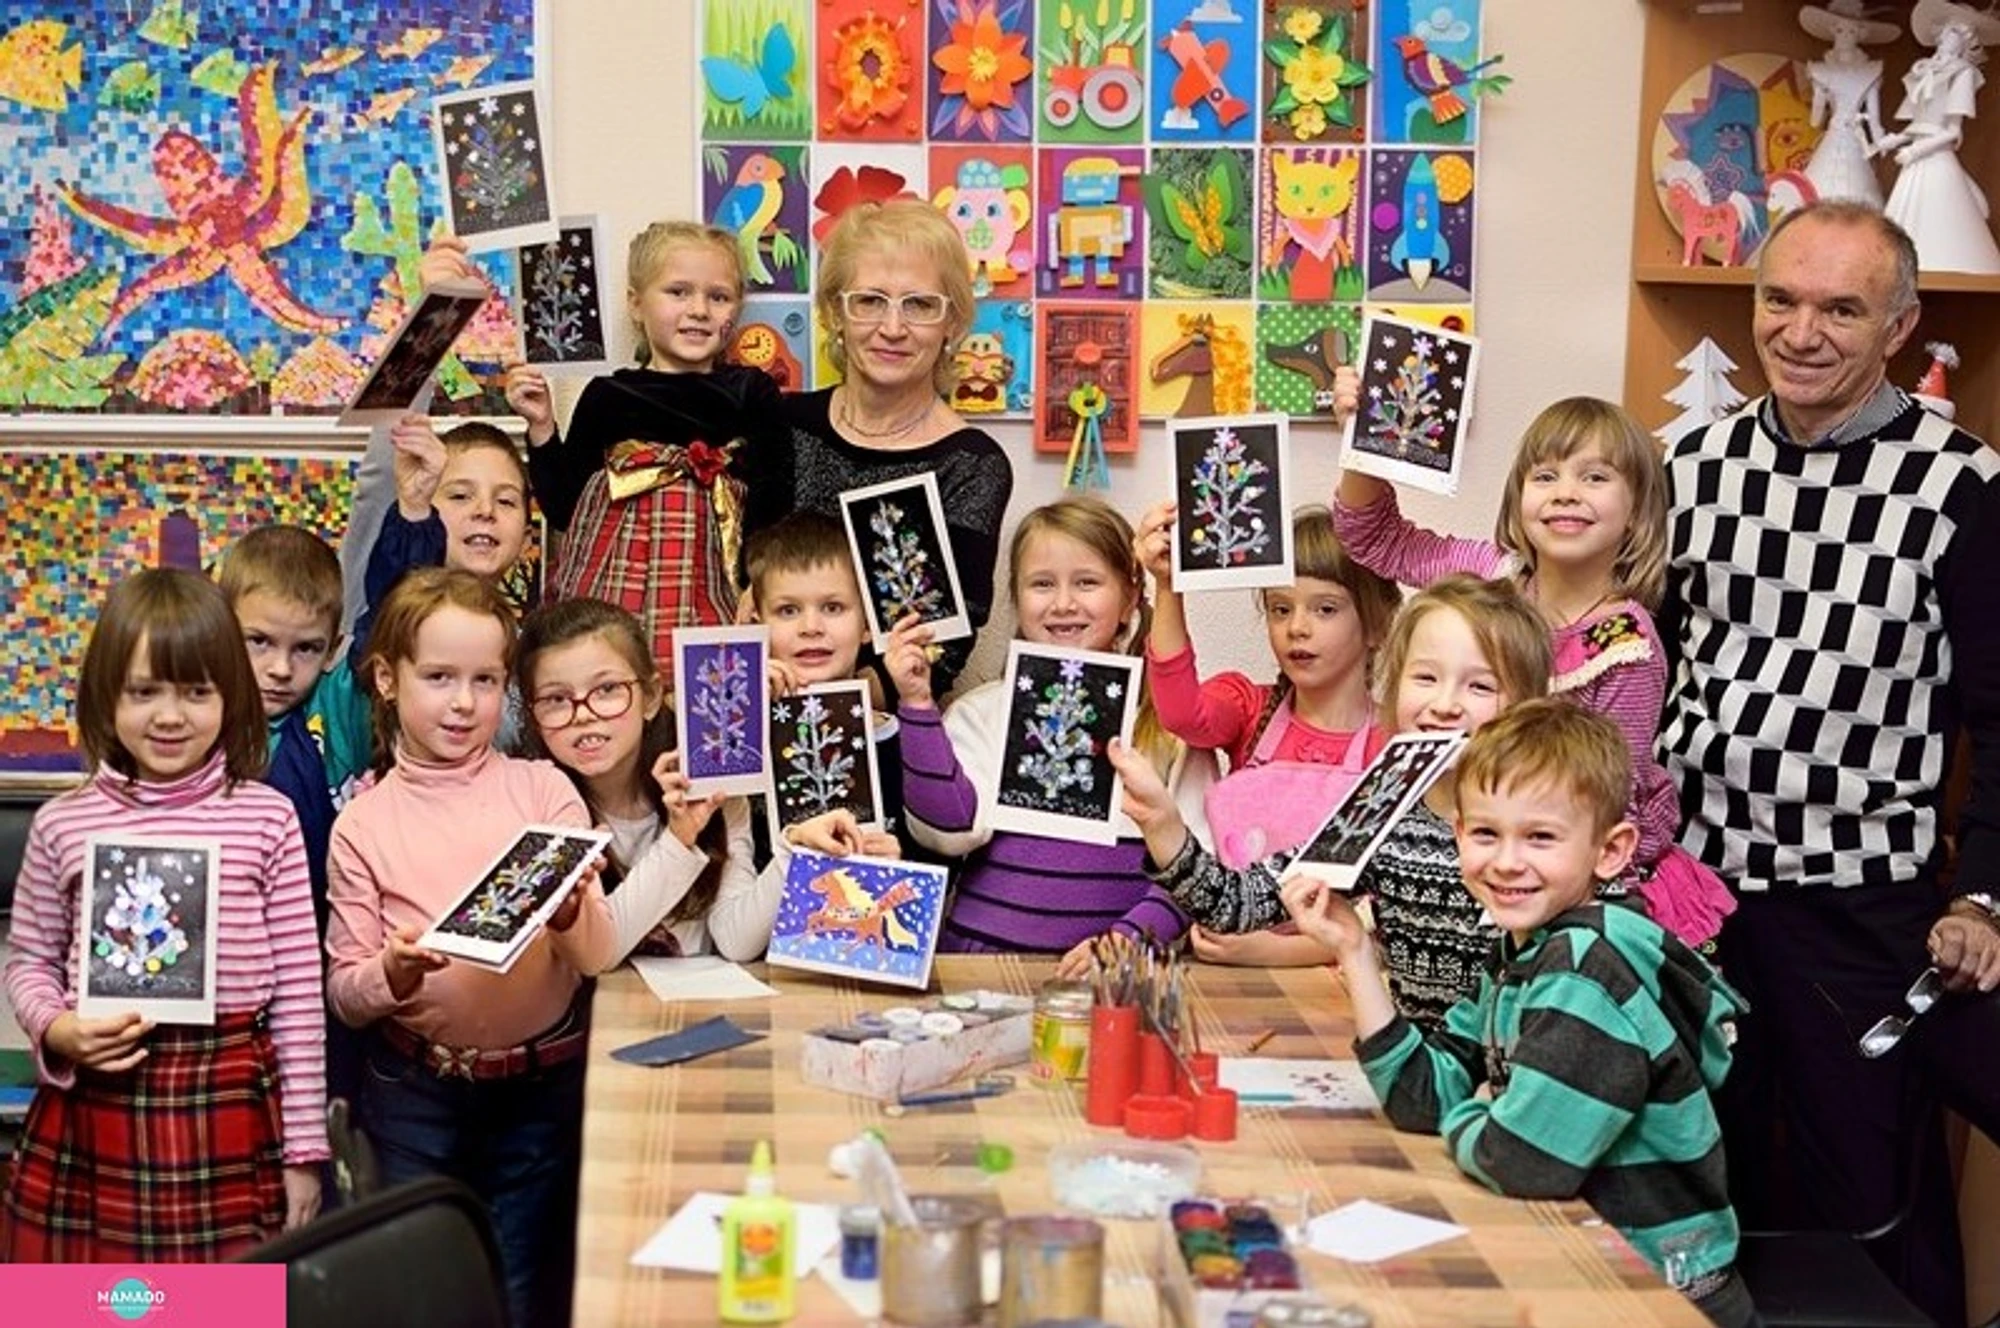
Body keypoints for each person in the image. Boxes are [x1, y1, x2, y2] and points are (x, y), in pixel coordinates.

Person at [1658, 198, 2000, 1328]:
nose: (1799, 333)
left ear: (1898, 326)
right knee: (1696, 1191)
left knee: (1864, 1202)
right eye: (1780, 300)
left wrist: (1983, 894)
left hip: (1855, 909)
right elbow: (1628, 658)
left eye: (1841, 310)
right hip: (1691, 899)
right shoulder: (1688, 463)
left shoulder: (1962, 485)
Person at [1282, 699, 1756, 1328]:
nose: (1506, 861)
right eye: (1486, 834)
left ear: (1610, 850)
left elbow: (1523, 1160)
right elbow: (1423, 1098)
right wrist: (1355, 952)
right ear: (1458, 834)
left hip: (1657, 1295)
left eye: (1540, 837)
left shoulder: (1587, 968)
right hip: (1577, 1263)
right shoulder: (1523, 950)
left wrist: (1481, 1112)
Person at [2, 569, 326, 1259]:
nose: (170, 715)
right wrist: (55, 1028)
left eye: (196, 691)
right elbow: (29, 961)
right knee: (85, 1305)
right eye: (143, 691)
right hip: (98, 1096)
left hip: (229, 1093)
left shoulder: (269, 819)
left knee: (220, 1303)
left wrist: (303, 1150)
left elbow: (300, 996)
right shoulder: (63, 823)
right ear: (106, 695)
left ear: (229, 695)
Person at [325, 568, 617, 1328]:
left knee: (515, 1284)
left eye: (485, 680)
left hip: (540, 1092)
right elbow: (345, 994)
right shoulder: (362, 825)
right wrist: (390, 973)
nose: (463, 702)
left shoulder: (544, 790)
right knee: (419, 1294)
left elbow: (596, 957)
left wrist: (568, 916)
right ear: (387, 680)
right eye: (439, 677)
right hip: (414, 1095)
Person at [1335, 397, 1733, 948]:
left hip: (1571, 882)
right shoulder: (1490, 578)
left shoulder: (1625, 646)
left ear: (1638, 510)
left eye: (1595, 477)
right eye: (1545, 476)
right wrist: (1364, 433)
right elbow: (1375, 537)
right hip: (1481, 849)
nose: (1566, 492)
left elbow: (1609, 798)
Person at [1115, 575, 1550, 1031]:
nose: (1444, 705)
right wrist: (1163, 825)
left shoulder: (1547, 824)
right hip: (1418, 1063)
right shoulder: (1380, 804)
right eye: (1425, 678)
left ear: (1528, 707)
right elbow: (1238, 902)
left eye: (1479, 687)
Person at [887, 497, 1213, 968]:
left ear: (1128, 600)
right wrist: (917, 704)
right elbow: (946, 834)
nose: (1063, 603)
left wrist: (1125, 941)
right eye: (1042, 584)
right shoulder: (981, 713)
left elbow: (1200, 868)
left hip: (1114, 977)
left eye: (1087, 582)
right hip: (980, 970)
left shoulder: (1169, 727)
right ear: (1017, 600)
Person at [752, 198, 1014, 699]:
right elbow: (744, 582)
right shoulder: (783, 423)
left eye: (919, 305)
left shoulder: (972, 464)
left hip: (885, 725)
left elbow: (942, 651)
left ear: (952, 323)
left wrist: (831, 703)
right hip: (760, 706)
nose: (892, 328)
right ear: (835, 313)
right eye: (870, 301)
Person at [503, 223, 787, 672]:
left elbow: (776, 500)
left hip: (713, 591)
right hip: (613, 593)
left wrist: (762, 581)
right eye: (678, 292)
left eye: (718, 297)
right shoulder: (608, 395)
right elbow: (566, 509)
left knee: (711, 689)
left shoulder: (752, 392)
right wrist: (541, 426)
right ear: (636, 304)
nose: (699, 310)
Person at [1135, 501, 1402, 967]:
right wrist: (1168, 586)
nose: (1297, 628)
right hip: (1229, 975)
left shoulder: (1395, 747)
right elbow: (1180, 714)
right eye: (1280, 609)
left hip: (1335, 980)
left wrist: (1277, 951)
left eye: (1325, 609)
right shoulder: (1249, 709)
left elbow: (1387, 920)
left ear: (1377, 624)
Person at [517, 597, 780, 961]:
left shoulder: (708, 784)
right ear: (532, 715)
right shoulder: (538, 804)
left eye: (607, 689)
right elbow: (600, 952)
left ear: (652, 696)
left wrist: (794, 853)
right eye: (556, 698)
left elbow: (737, 942)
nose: (583, 714)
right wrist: (678, 838)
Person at [744, 511, 922, 861]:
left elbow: (943, 856)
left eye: (833, 607)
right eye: (788, 610)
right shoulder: (743, 737)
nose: (811, 627)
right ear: (758, 624)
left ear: (868, 624)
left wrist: (903, 863)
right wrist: (744, 712)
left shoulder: (905, 743)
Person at [1879, 0, 2000, 274]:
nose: (1948, 40)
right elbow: (1919, 123)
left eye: (1955, 35)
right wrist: (1896, 139)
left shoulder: (1964, 74)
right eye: (1946, 33)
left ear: (1965, 43)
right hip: (1916, 157)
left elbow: (1952, 132)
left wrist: (1916, 151)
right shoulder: (1925, 71)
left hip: (1933, 156)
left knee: (1941, 218)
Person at [1799, 0, 1899, 208]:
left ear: (1860, 35)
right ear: (1832, 32)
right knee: (1820, 191)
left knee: (1857, 193)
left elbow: (1874, 121)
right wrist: (1819, 94)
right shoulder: (1821, 71)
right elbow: (1815, 121)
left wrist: (1881, 143)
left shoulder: (1868, 72)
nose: (1845, 36)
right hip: (1833, 133)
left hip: (1855, 136)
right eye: (1840, 30)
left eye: (1851, 31)